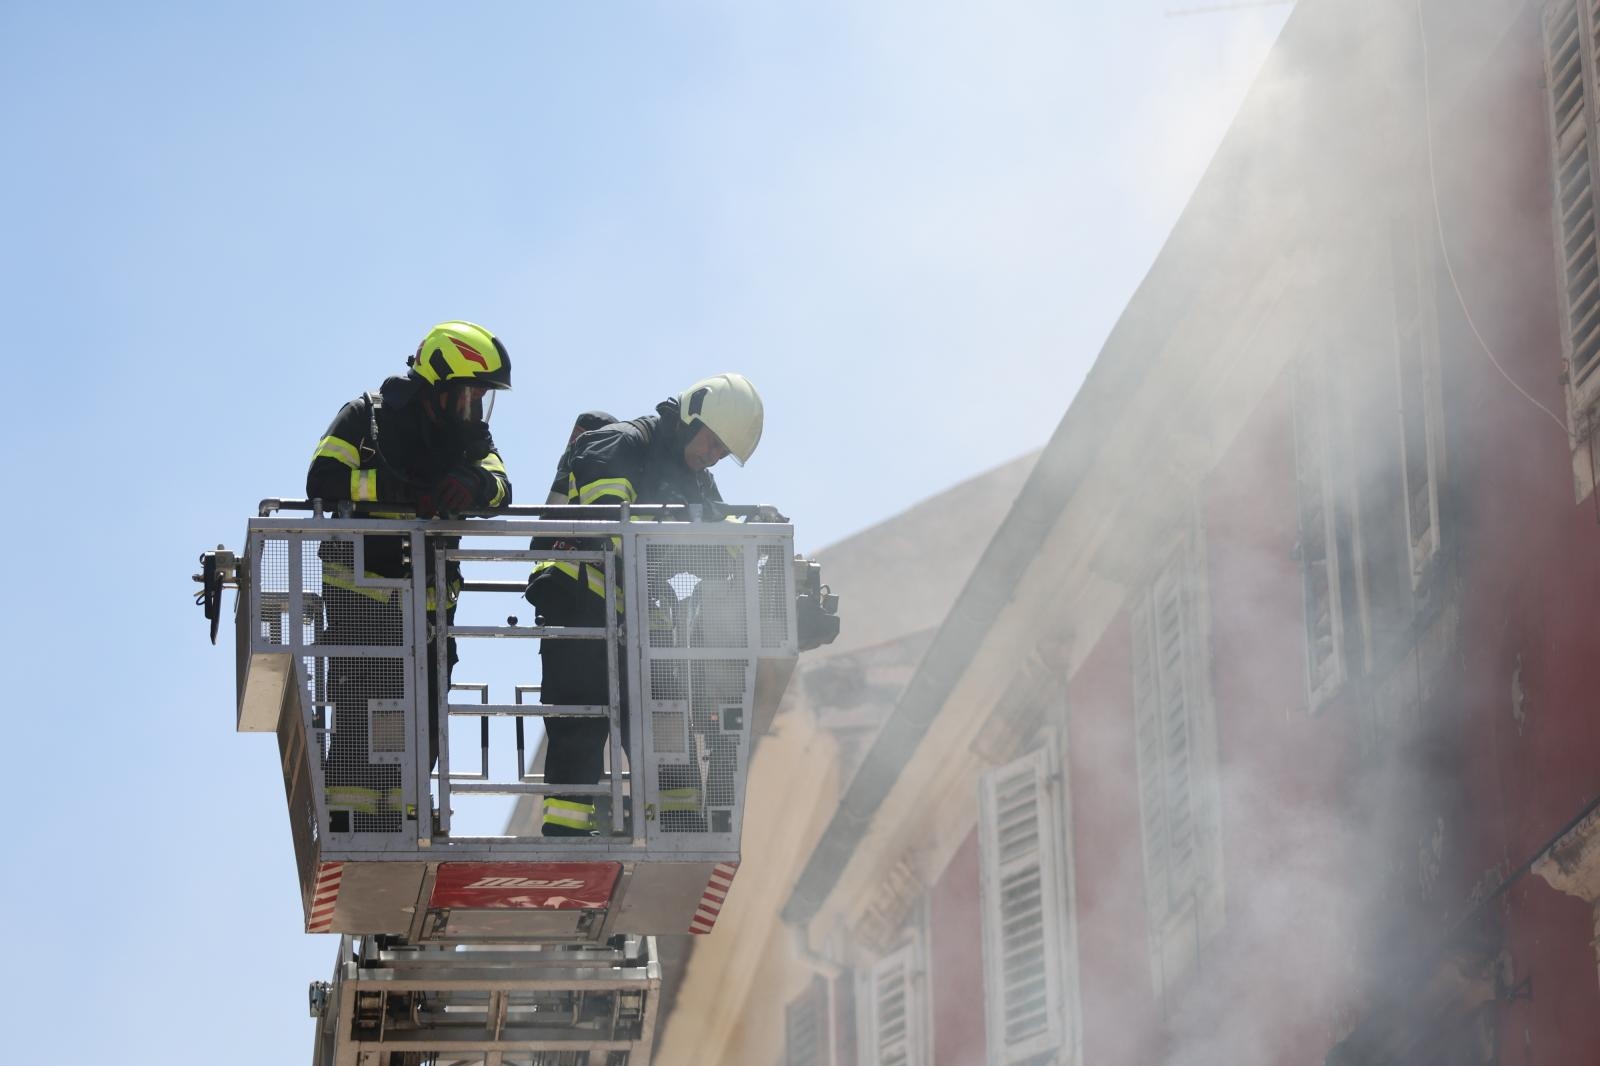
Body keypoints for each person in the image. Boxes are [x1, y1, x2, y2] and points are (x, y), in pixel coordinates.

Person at [524, 374, 763, 836]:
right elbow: (608, 527)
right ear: (691, 417)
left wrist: (758, 533)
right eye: (711, 442)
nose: (711, 456)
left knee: (665, 714)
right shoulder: (618, 444)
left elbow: (723, 538)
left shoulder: (695, 479)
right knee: (582, 716)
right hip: (581, 600)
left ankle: (678, 821)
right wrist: (681, 537)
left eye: (721, 453)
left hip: (639, 607)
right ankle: (568, 832)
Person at [306, 321, 514, 832]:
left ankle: (403, 817)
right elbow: (322, 477)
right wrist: (400, 491)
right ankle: (350, 821)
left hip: (430, 612)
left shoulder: (469, 438)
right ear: (437, 387)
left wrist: (473, 484)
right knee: (362, 713)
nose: (475, 408)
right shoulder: (367, 416)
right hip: (363, 597)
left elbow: (502, 485)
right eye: (469, 394)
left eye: (481, 398)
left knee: (424, 725)